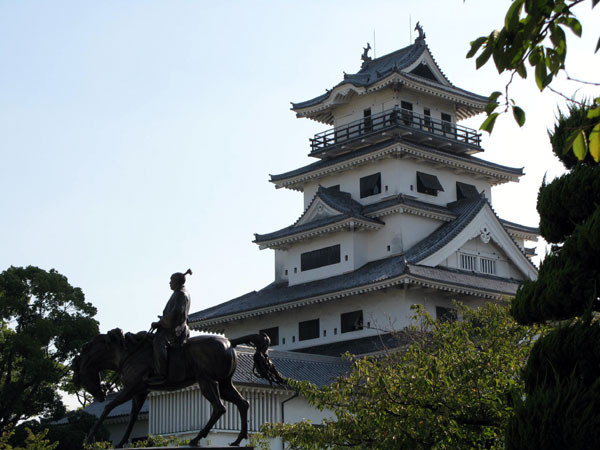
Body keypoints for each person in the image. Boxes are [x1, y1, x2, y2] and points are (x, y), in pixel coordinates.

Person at [146, 269, 192, 385]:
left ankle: (161, 374)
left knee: (158, 341)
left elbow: (176, 314)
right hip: (172, 326)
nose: (169, 283)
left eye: (171, 280)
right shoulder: (178, 293)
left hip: (176, 330)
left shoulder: (181, 294)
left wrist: (160, 323)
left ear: (177, 281)